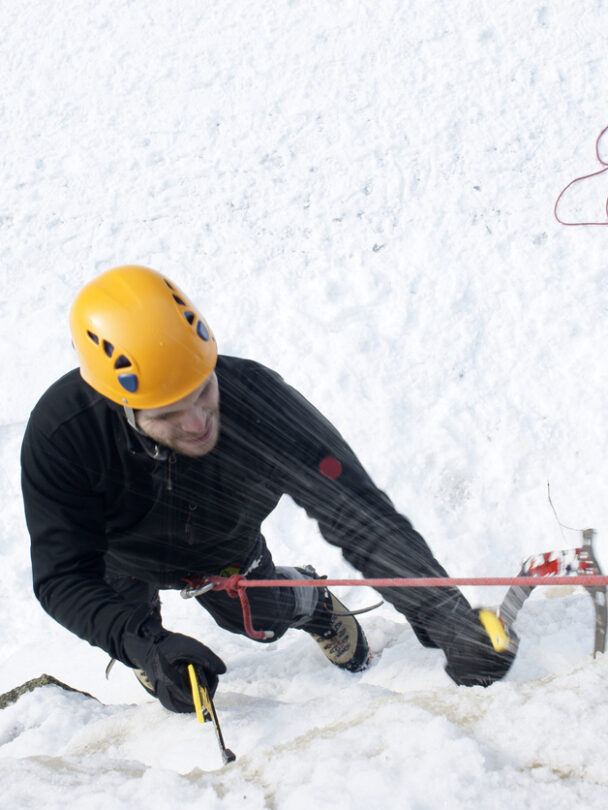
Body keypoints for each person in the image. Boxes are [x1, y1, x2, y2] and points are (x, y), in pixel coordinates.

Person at [21, 265, 517, 714]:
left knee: (258, 621)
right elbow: (63, 575)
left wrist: (447, 617)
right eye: (167, 413)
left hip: (224, 544)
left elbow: (358, 514)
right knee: (158, 664)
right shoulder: (63, 436)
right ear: (119, 404)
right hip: (118, 561)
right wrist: (144, 642)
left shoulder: (257, 400)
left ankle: (314, 602)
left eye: (202, 391)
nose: (197, 423)